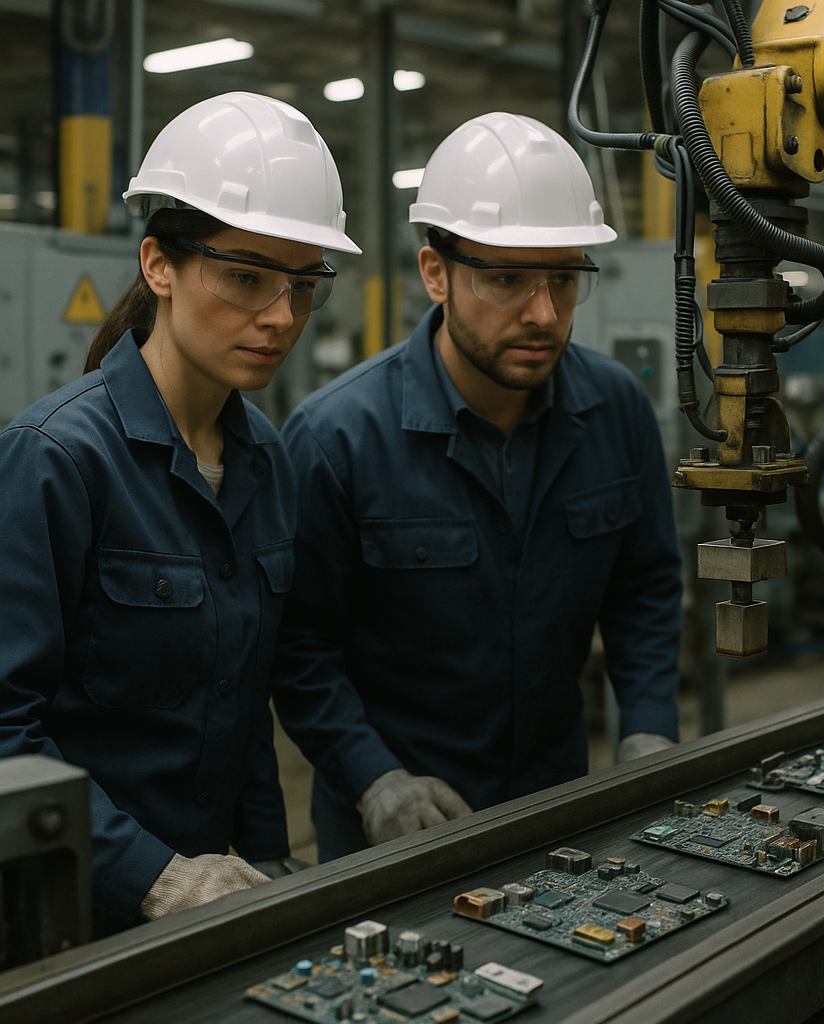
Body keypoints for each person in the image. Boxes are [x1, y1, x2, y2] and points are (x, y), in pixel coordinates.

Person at [273, 112, 682, 860]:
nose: (544, 313)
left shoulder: (616, 408)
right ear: (436, 273)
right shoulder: (337, 440)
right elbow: (298, 651)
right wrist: (374, 781)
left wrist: (649, 726)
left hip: (558, 812)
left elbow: (645, 586)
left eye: (564, 278)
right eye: (506, 279)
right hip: (393, 835)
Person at [0, 92, 360, 936]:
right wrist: (152, 876)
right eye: (245, 276)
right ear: (159, 265)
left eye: (304, 286)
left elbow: (244, 712)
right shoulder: (55, 460)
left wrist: (266, 860)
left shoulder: (265, 460)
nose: (280, 317)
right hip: (70, 915)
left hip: (216, 904)